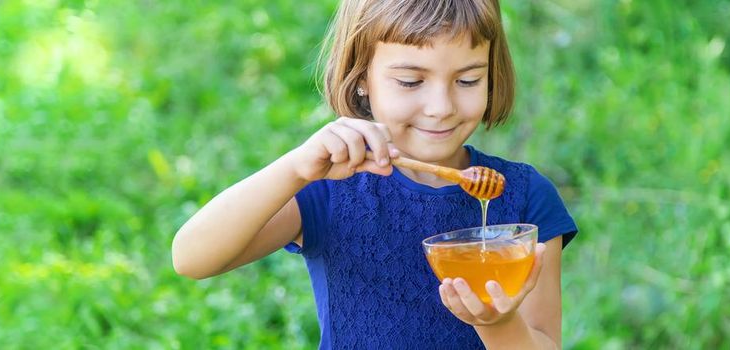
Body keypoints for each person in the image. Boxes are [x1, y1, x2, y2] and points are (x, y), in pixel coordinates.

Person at [171, 0, 577, 348]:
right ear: (362, 78)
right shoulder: (330, 188)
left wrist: (498, 323)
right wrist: (294, 169)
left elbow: (544, 341)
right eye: (410, 81)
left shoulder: (526, 197)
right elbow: (192, 258)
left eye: (468, 79)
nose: (441, 106)